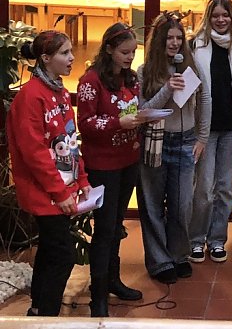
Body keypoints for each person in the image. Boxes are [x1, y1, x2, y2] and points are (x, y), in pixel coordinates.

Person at [8, 31, 90, 317]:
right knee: (63, 255)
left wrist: (81, 181)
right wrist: (60, 192)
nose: (72, 58)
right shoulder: (30, 97)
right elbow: (35, 153)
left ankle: (38, 311)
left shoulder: (60, 92)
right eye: (65, 53)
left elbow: (70, 140)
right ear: (45, 58)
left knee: (49, 252)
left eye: (70, 52)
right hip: (45, 192)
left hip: (62, 189)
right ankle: (47, 316)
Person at [137, 12, 210, 284]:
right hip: (155, 142)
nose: (175, 43)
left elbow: (206, 102)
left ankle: (178, 254)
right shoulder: (145, 71)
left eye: (179, 38)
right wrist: (167, 88)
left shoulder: (192, 67)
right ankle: (159, 261)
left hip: (185, 141)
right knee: (152, 204)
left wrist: (202, 139)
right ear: (158, 41)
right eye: (169, 38)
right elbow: (143, 111)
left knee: (182, 205)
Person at [76, 23, 143, 316]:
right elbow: (86, 125)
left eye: (133, 52)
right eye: (125, 52)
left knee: (117, 226)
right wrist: (119, 123)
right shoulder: (91, 81)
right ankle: (98, 294)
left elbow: (132, 110)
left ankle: (113, 280)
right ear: (109, 50)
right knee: (104, 229)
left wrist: (140, 118)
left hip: (128, 160)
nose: (130, 58)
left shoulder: (130, 79)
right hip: (102, 165)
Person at [190, 0, 232, 263]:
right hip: (204, 130)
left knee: (225, 189)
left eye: (225, 15)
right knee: (203, 189)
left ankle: (217, 239)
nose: (220, 20)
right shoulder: (196, 46)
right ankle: (196, 239)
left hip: (231, 128)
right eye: (215, 15)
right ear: (208, 17)